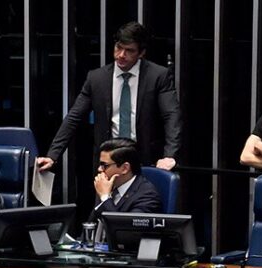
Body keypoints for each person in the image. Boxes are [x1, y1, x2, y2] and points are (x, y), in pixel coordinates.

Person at [37, 22, 181, 173]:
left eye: (129, 51)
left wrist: (169, 155)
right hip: (108, 162)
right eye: (119, 47)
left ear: (141, 53)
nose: (121, 55)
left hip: (145, 159)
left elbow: (171, 116)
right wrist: (52, 155)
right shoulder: (96, 78)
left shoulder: (157, 76)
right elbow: (74, 117)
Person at [89, 138, 161, 222]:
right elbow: (91, 225)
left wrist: (105, 198)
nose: (99, 169)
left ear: (124, 168)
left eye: (104, 165)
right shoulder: (107, 185)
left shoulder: (147, 197)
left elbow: (124, 231)